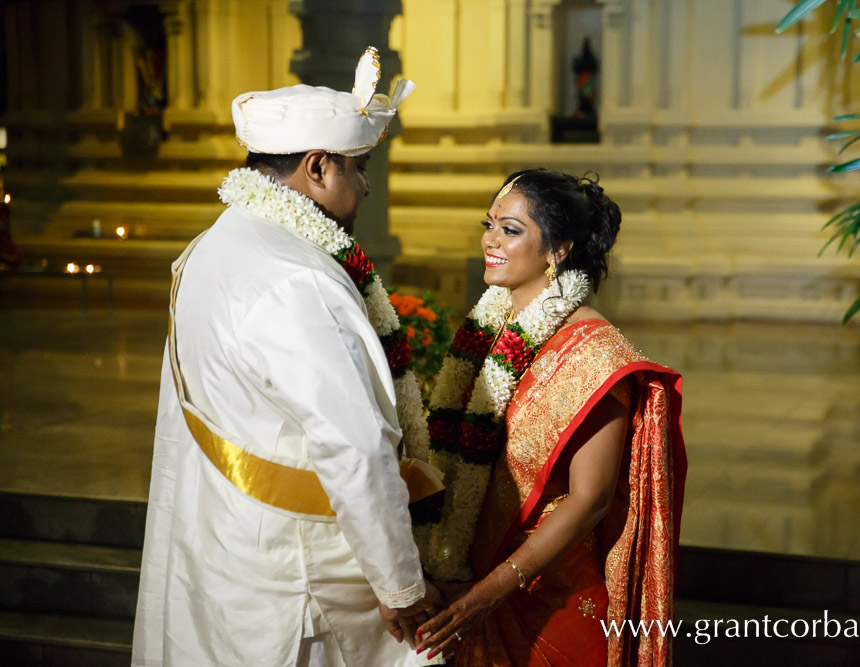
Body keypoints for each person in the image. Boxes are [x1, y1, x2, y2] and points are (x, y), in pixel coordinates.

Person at [132, 48, 440, 667]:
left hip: (222, 534)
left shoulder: (215, 244)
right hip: (299, 567)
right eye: (360, 167)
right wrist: (401, 586)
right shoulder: (298, 278)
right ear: (318, 167)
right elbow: (353, 446)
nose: (367, 183)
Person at [415, 169, 687, 665]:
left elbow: (591, 499)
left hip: (546, 596)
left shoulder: (596, 354)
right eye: (490, 224)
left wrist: (488, 592)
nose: (490, 240)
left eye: (511, 230)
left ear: (558, 250)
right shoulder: (487, 330)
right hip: (466, 583)